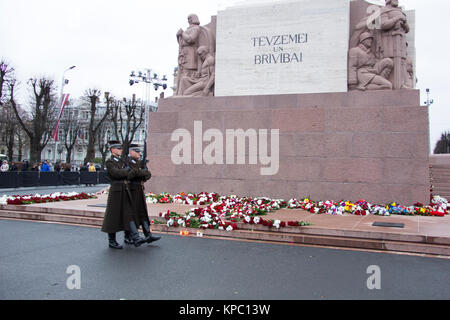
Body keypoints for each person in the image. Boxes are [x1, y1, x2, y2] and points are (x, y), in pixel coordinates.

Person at [101, 141, 147, 249]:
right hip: (116, 190)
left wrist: (126, 172)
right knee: (113, 216)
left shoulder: (122, 161)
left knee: (129, 214)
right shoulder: (110, 162)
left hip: (125, 189)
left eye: (121, 148)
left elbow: (130, 173)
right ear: (112, 150)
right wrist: (126, 171)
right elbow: (115, 173)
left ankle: (134, 237)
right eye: (118, 148)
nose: (121, 150)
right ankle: (112, 241)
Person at [123, 144, 161, 245]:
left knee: (142, 212)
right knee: (131, 213)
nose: (139, 153)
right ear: (131, 152)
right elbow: (129, 175)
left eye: (139, 151)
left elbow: (147, 174)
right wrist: (140, 172)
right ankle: (128, 236)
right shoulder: (127, 162)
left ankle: (148, 234)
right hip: (130, 190)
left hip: (139, 189)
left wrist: (140, 173)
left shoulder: (140, 162)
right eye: (137, 151)